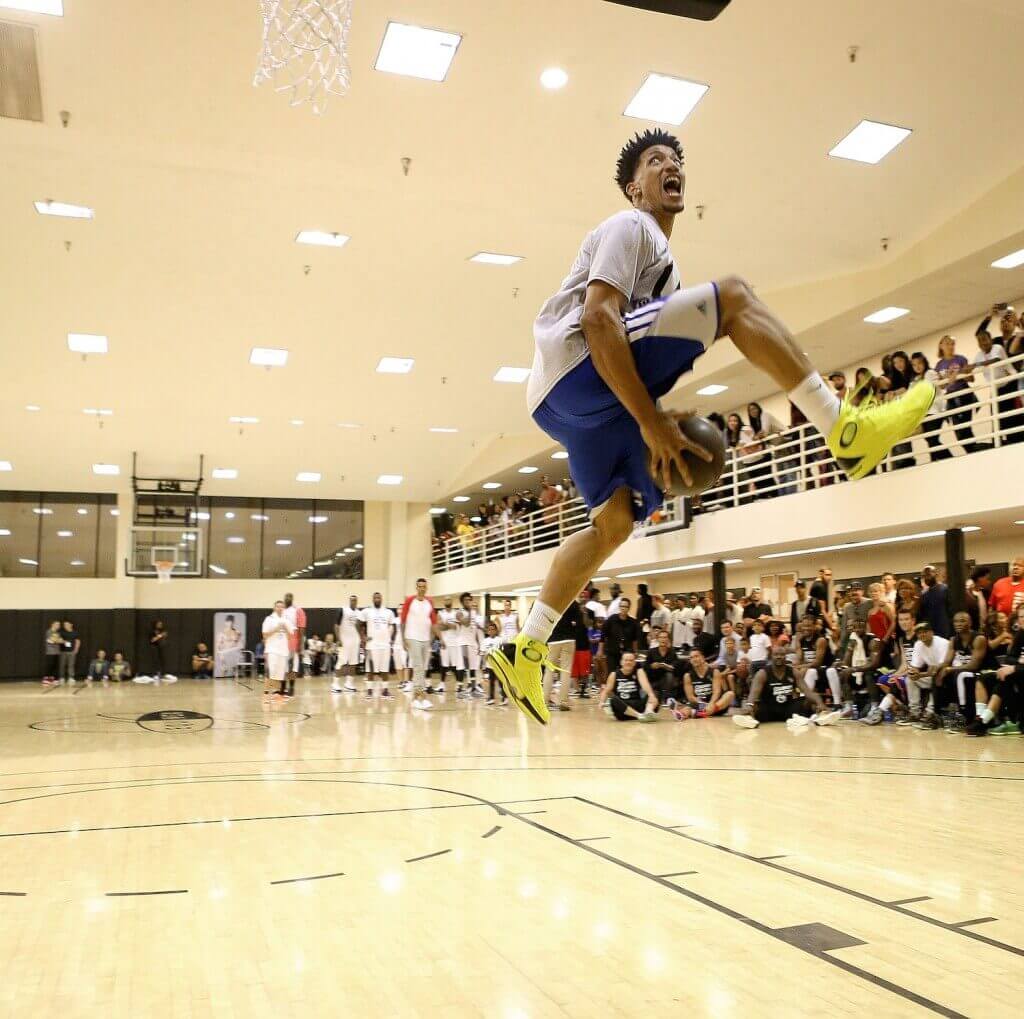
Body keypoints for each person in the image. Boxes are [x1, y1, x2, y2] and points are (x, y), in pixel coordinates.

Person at [488, 127, 934, 723]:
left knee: (615, 522)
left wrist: (652, 416)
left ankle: (527, 644)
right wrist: (648, 421)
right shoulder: (632, 228)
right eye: (655, 161)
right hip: (577, 368)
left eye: (675, 160)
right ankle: (841, 428)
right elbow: (599, 321)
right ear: (633, 187)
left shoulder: (664, 272)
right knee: (736, 298)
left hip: (560, 403)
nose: (670, 166)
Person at [733, 647, 837, 729]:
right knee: (754, 705)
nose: (779, 657)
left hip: (789, 708)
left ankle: (822, 716)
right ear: (771, 657)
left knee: (809, 701)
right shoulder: (763, 673)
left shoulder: (793, 672)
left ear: (785, 657)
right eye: (776, 654)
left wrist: (820, 703)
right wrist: (749, 705)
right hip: (769, 708)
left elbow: (807, 692)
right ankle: (748, 719)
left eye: (782, 654)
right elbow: (753, 693)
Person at [940, 612, 1000, 736]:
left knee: (960, 675)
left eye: (962, 621)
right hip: (970, 671)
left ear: (970, 623)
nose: (958, 624)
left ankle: (964, 715)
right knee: (942, 675)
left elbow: (974, 665)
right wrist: (936, 670)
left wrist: (951, 669)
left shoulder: (979, 638)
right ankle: (939, 713)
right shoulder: (954, 640)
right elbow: (946, 662)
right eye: (956, 621)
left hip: (987, 671)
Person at [400, 578, 437, 711]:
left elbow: (433, 622)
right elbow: (403, 621)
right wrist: (403, 638)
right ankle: (422, 697)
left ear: (426, 588)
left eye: (424, 586)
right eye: (419, 586)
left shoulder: (430, 602)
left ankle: (417, 698)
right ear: (416, 588)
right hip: (412, 637)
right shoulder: (410, 600)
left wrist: (434, 638)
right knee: (418, 667)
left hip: (425, 639)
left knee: (423, 667)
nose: (422, 588)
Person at [542, 599, 584, 711]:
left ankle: (545, 701)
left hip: (553, 639)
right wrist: (572, 628)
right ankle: (563, 702)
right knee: (566, 671)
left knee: (549, 670)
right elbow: (579, 622)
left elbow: (544, 621)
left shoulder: (551, 600)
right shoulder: (573, 602)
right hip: (569, 639)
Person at [598, 651, 659, 722]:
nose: (628, 662)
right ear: (621, 662)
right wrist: (601, 702)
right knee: (613, 700)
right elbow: (606, 691)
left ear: (634, 663)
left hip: (637, 705)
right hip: (623, 710)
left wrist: (651, 695)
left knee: (655, 693)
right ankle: (640, 716)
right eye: (626, 660)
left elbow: (645, 684)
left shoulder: (639, 671)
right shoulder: (614, 674)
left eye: (631, 660)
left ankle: (648, 713)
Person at [674, 647, 733, 718]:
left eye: (696, 656)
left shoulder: (714, 672)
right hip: (699, 704)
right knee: (686, 709)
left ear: (703, 658)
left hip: (715, 705)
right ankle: (690, 713)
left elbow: (716, 692)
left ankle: (701, 713)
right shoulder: (687, 676)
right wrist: (702, 704)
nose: (694, 659)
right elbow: (690, 697)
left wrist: (711, 704)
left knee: (730, 694)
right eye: (691, 658)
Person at [362, 591, 396, 699]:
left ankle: (385, 691)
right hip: (372, 645)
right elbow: (359, 624)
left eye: (379, 598)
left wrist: (390, 639)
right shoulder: (367, 611)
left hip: (385, 645)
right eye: (375, 598)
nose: (377, 599)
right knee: (371, 669)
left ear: (381, 599)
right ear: (373, 599)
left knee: (384, 669)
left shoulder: (388, 612)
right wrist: (363, 637)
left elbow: (392, 626)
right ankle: (369, 691)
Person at [261, 600, 295, 708]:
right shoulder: (269, 619)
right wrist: (276, 629)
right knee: (270, 672)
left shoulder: (287, 621)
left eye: (282, 607)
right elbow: (265, 635)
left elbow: (290, 637)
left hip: (283, 651)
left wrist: (285, 628)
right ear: (274, 608)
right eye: (278, 606)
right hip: (272, 650)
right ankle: (266, 694)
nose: (280, 608)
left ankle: (276, 695)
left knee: (280, 674)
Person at [598, 597, 639, 678]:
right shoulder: (611, 619)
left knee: (625, 673)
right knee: (612, 673)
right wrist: (600, 650)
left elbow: (634, 639)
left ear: (629, 608)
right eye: (621, 606)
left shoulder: (633, 622)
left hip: (626, 653)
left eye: (625, 606)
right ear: (619, 607)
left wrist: (635, 651)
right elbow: (603, 635)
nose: (623, 608)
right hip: (612, 652)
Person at [334, 594, 363, 694]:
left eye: (355, 600)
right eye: (352, 600)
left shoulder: (359, 613)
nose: (353, 602)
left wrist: (362, 639)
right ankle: (335, 684)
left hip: (355, 641)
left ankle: (349, 684)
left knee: (353, 663)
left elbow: (360, 628)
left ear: (357, 601)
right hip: (344, 641)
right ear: (349, 601)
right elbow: (336, 626)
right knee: (341, 662)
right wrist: (339, 639)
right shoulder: (343, 610)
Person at [645, 629, 680, 704]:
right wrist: (652, 666)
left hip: (667, 681)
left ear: (668, 639)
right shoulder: (651, 651)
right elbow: (646, 667)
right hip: (654, 680)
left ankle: (665, 697)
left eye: (665, 637)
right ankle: (659, 697)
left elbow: (676, 666)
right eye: (661, 637)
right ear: (657, 639)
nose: (663, 639)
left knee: (669, 675)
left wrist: (668, 667)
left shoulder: (672, 652)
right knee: (654, 700)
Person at [917, 565, 952, 638]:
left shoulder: (945, 589)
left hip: (946, 631)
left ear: (936, 574)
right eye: (924, 576)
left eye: (928, 574)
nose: (926, 577)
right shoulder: (924, 595)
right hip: (932, 633)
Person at [282, 593, 305, 698]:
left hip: (293, 639)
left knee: (292, 666)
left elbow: (301, 628)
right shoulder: (281, 610)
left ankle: (291, 688)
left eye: (289, 597)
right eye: (286, 597)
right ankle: (282, 688)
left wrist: (300, 644)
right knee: (283, 666)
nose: (287, 599)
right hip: (282, 640)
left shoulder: (298, 610)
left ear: (292, 599)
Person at [479, 621, 506, 706]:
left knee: (501, 682)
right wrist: (482, 665)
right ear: (487, 631)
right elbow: (482, 653)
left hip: (499, 665)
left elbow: (503, 652)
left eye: (493, 629)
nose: (491, 631)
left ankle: (504, 698)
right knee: (491, 682)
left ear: (496, 630)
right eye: (489, 630)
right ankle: (491, 698)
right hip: (489, 665)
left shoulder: (500, 640)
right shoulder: (485, 641)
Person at [42, 619, 62, 687]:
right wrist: (56, 640)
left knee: (55, 666)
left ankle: (54, 679)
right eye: (57, 624)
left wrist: (57, 640)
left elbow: (60, 640)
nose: (58, 626)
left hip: (57, 652)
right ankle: (46, 680)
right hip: (50, 652)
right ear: (52, 625)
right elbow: (50, 640)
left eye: (59, 625)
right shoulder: (49, 632)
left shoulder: (57, 633)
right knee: (49, 666)